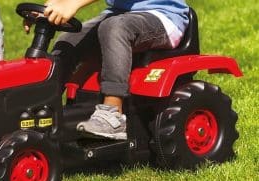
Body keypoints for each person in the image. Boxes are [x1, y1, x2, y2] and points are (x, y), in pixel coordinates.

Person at [24, 0, 189, 140]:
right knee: (69, 40)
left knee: (114, 28)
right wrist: (51, 10)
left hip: (163, 16)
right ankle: (40, 107)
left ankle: (112, 114)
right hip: (118, 14)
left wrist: (72, 2)